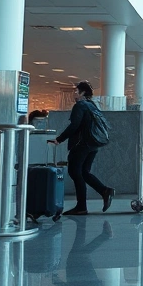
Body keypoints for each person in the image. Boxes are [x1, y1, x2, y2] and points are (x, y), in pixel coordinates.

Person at [49, 81, 115, 215]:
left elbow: (74, 126)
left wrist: (59, 139)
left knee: (75, 172)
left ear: (82, 93)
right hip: (93, 144)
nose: (74, 93)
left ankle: (81, 206)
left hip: (81, 144)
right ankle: (104, 191)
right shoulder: (92, 106)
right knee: (84, 172)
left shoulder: (80, 106)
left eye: (76, 91)